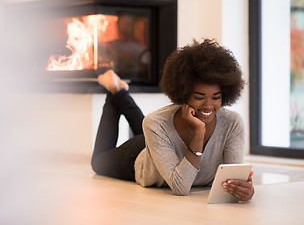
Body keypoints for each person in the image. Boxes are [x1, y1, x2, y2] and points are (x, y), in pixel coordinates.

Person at [91, 39, 255, 201]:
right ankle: (115, 92)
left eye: (216, 97)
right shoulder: (156, 123)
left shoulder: (232, 123)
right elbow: (181, 187)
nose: (208, 105)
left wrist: (246, 191)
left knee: (153, 126)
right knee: (98, 163)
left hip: (160, 140)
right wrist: (199, 133)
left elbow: (234, 181)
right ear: (184, 94)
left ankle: (121, 93)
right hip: (138, 156)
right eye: (199, 97)